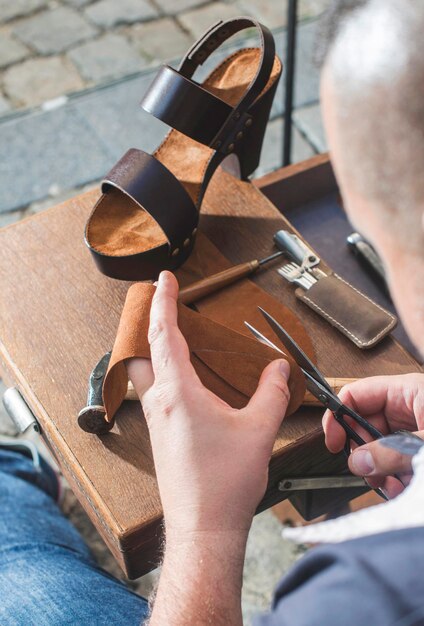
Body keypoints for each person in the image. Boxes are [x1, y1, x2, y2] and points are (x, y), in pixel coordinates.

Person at [1, 0, 424, 624]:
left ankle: (17, 472)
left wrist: (203, 528)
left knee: (15, 567)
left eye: (367, 219)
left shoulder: (352, 598)